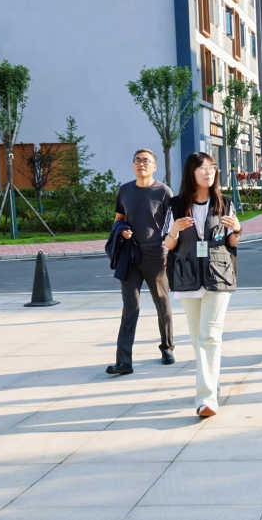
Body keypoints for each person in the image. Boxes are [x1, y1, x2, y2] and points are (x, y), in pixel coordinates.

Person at [163, 152, 241, 417]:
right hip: (186, 276)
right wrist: (175, 230)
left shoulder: (224, 203)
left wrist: (237, 229)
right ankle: (212, 385)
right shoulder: (176, 205)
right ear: (191, 172)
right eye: (202, 168)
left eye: (212, 167)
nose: (209, 172)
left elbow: (231, 242)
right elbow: (168, 244)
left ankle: (206, 400)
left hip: (218, 275)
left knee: (210, 336)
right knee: (198, 339)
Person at [106, 149, 174, 376]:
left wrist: (169, 250)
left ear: (155, 166)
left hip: (157, 256)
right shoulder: (124, 190)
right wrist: (122, 229)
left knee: (162, 304)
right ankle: (123, 361)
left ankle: (167, 348)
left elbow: (172, 225)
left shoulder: (164, 192)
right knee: (130, 307)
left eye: (146, 160)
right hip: (130, 256)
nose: (141, 164)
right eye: (137, 160)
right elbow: (119, 218)